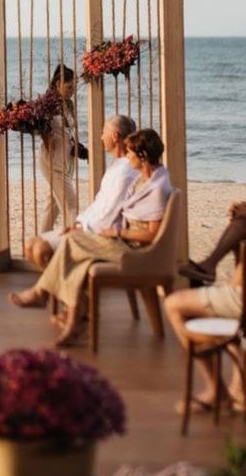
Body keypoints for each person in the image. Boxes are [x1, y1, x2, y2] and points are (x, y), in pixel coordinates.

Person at [166, 120, 246, 413]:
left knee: (176, 304)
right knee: (232, 303)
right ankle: (239, 387)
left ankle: (216, 390)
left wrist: (232, 289)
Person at [11, 128, 171, 348]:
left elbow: (152, 235)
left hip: (134, 250)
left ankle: (43, 293)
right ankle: (73, 322)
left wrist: (117, 232)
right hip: (122, 242)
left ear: (142, 157)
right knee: (76, 253)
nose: (128, 157)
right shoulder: (144, 179)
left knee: (70, 242)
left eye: (131, 153)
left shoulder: (157, 188)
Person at [21, 114, 138, 276]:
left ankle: (55, 292)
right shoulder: (116, 167)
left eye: (104, 131)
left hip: (102, 238)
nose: (101, 136)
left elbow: (110, 215)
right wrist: (78, 224)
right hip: (90, 229)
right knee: (30, 244)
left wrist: (82, 229)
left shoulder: (125, 172)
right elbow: (98, 205)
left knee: (40, 249)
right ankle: (66, 292)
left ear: (115, 136)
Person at [38, 64, 80, 233]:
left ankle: (41, 241)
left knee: (53, 206)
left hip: (67, 160)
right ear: (57, 84)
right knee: (71, 205)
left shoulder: (69, 104)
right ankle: (76, 243)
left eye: (75, 86)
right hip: (52, 160)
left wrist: (78, 146)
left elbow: (69, 131)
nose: (73, 90)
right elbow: (40, 130)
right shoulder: (46, 105)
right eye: (69, 86)